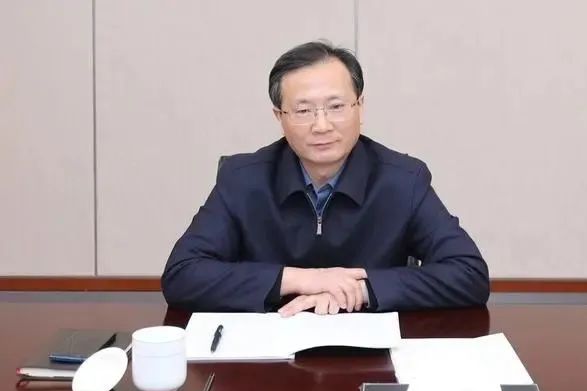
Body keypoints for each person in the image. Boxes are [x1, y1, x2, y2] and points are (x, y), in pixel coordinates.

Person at [161, 41, 489, 316]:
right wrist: (305, 280)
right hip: (270, 348)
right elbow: (182, 274)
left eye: (336, 106)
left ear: (360, 107)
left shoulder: (404, 180)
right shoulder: (242, 179)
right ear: (279, 117)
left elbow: (469, 273)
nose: (321, 126)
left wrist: (360, 290)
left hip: (369, 349)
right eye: (304, 111)